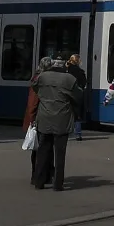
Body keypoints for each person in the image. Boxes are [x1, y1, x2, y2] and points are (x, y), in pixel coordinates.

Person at [31, 56, 82, 191]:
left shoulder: (42, 77)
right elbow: (78, 96)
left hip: (44, 117)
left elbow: (35, 88)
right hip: (62, 119)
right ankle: (58, 184)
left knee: (42, 151)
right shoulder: (69, 79)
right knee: (60, 153)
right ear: (64, 66)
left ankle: (39, 182)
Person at [66, 53, 88, 141]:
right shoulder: (80, 71)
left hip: (67, 93)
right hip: (77, 94)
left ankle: (64, 133)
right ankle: (78, 134)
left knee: (66, 114)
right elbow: (83, 83)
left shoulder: (66, 70)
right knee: (77, 115)